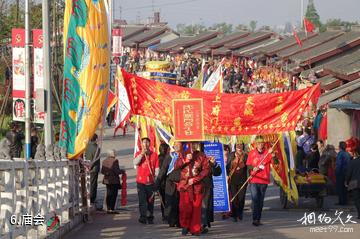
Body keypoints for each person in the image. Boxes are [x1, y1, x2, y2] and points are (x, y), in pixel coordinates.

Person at [175, 142, 209, 236]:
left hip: (197, 187)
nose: (193, 146)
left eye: (195, 143)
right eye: (192, 144)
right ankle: (185, 226)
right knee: (184, 208)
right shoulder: (183, 154)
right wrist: (185, 160)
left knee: (196, 209)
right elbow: (176, 167)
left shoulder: (201, 155)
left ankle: (195, 229)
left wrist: (195, 179)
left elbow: (206, 169)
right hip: (184, 186)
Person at [246, 136, 273, 226]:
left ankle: (258, 218)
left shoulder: (268, 153)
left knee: (260, 201)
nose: (261, 145)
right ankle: (255, 219)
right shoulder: (251, 153)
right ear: (256, 144)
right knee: (255, 199)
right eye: (259, 143)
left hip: (264, 180)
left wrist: (273, 155)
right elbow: (248, 165)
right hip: (254, 179)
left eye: (262, 143)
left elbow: (276, 162)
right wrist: (253, 168)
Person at [156, 141, 182, 227]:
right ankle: (171, 221)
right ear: (173, 146)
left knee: (179, 203)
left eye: (179, 144)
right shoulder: (169, 156)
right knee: (170, 202)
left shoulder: (184, 156)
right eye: (176, 145)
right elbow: (163, 171)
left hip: (181, 183)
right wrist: (157, 183)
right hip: (170, 183)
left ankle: (179, 221)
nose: (177, 146)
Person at [134, 137, 159, 224]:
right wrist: (141, 154)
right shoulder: (138, 153)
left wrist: (157, 180)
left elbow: (157, 169)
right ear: (141, 144)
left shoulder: (154, 155)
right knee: (142, 200)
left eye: (147, 142)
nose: (145, 144)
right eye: (144, 142)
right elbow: (135, 163)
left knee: (150, 201)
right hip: (141, 182)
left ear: (149, 144)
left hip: (151, 182)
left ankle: (150, 215)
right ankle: (143, 216)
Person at [226, 143, 248, 222]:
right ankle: (234, 214)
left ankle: (240, 213)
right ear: (235, 147)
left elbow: (248, 166)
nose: (239, 147)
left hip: (242, 180)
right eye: (238, 146)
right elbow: (227, 167)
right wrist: (227, 175)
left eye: (241, 145)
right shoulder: (231, 155)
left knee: (241, 197)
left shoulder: (245, 156)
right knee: (234, 197)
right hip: (233, 180)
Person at [201, 148, 221, 232]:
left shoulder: (208, 161)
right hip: (195, 186)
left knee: (205, 206)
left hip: (207, 187)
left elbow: (217, 172)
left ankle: (203, 224)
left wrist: (214, 163)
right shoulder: (191, 159)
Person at [84, 133, 101, 204]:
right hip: (94, 168)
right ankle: (92, 198)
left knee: (87, 183)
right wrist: (90, 166)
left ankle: (87, 197)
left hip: (86, 167)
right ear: (96, 139)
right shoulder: (96, 148)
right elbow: (95, 159)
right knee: (93, 184)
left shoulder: (86, 146)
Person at [346, 146, 360, 219]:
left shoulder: (352, 162)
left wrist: (346, 181)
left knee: (357, 199)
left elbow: (349, 173)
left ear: (356, 153)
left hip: (355, 184)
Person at [157, 143, 170, 222]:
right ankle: (167, 215)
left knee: (163, 199)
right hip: (165, 181)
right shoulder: (166, 158)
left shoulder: (158, 158)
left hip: (161, 181)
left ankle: (164, 215)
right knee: (167, 199)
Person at [336, 141, 351, 205]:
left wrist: (337, 172)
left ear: (340, 147)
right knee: (345, 187)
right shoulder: (347, 154)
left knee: (340, 187)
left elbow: (339, 165)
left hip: (341, 173)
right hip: (347, 173)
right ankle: (345, 201)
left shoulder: (340, 154)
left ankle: (341, 202)